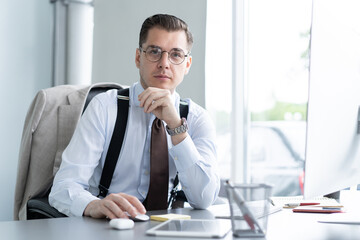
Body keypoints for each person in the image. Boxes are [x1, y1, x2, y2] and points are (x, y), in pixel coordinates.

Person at [49, 14, 220, 219]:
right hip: (108, 227)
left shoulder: (197, 119)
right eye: (155, 51)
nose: (164, 63)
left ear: (187, 64)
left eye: (175, 54)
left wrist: (176, 126)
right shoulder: (104, 107)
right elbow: (63, 188)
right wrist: (93, 205)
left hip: (168, 230)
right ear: (138, 58)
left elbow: (204, 198)